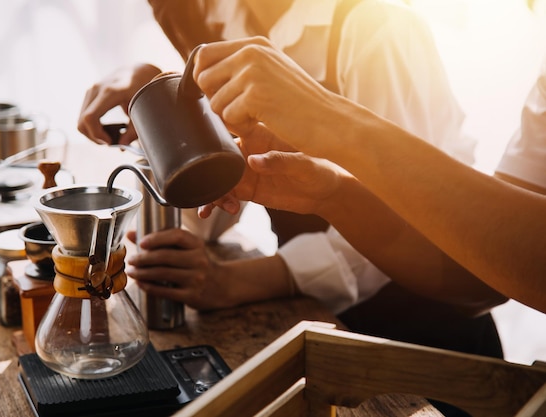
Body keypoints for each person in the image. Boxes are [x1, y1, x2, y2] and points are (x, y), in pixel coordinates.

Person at [79, 0, 507, 364]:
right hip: (320, 325)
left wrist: (235, 282)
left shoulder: (375, 26)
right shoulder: (229, 19)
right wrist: (162, 100)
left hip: (429, 337)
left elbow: (400, 216)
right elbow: (226, 194)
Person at [190, 36, 546, 315]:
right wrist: (333, 196)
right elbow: (492, 272)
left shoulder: (376, 31)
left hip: (423, 334)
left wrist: (333, 122)